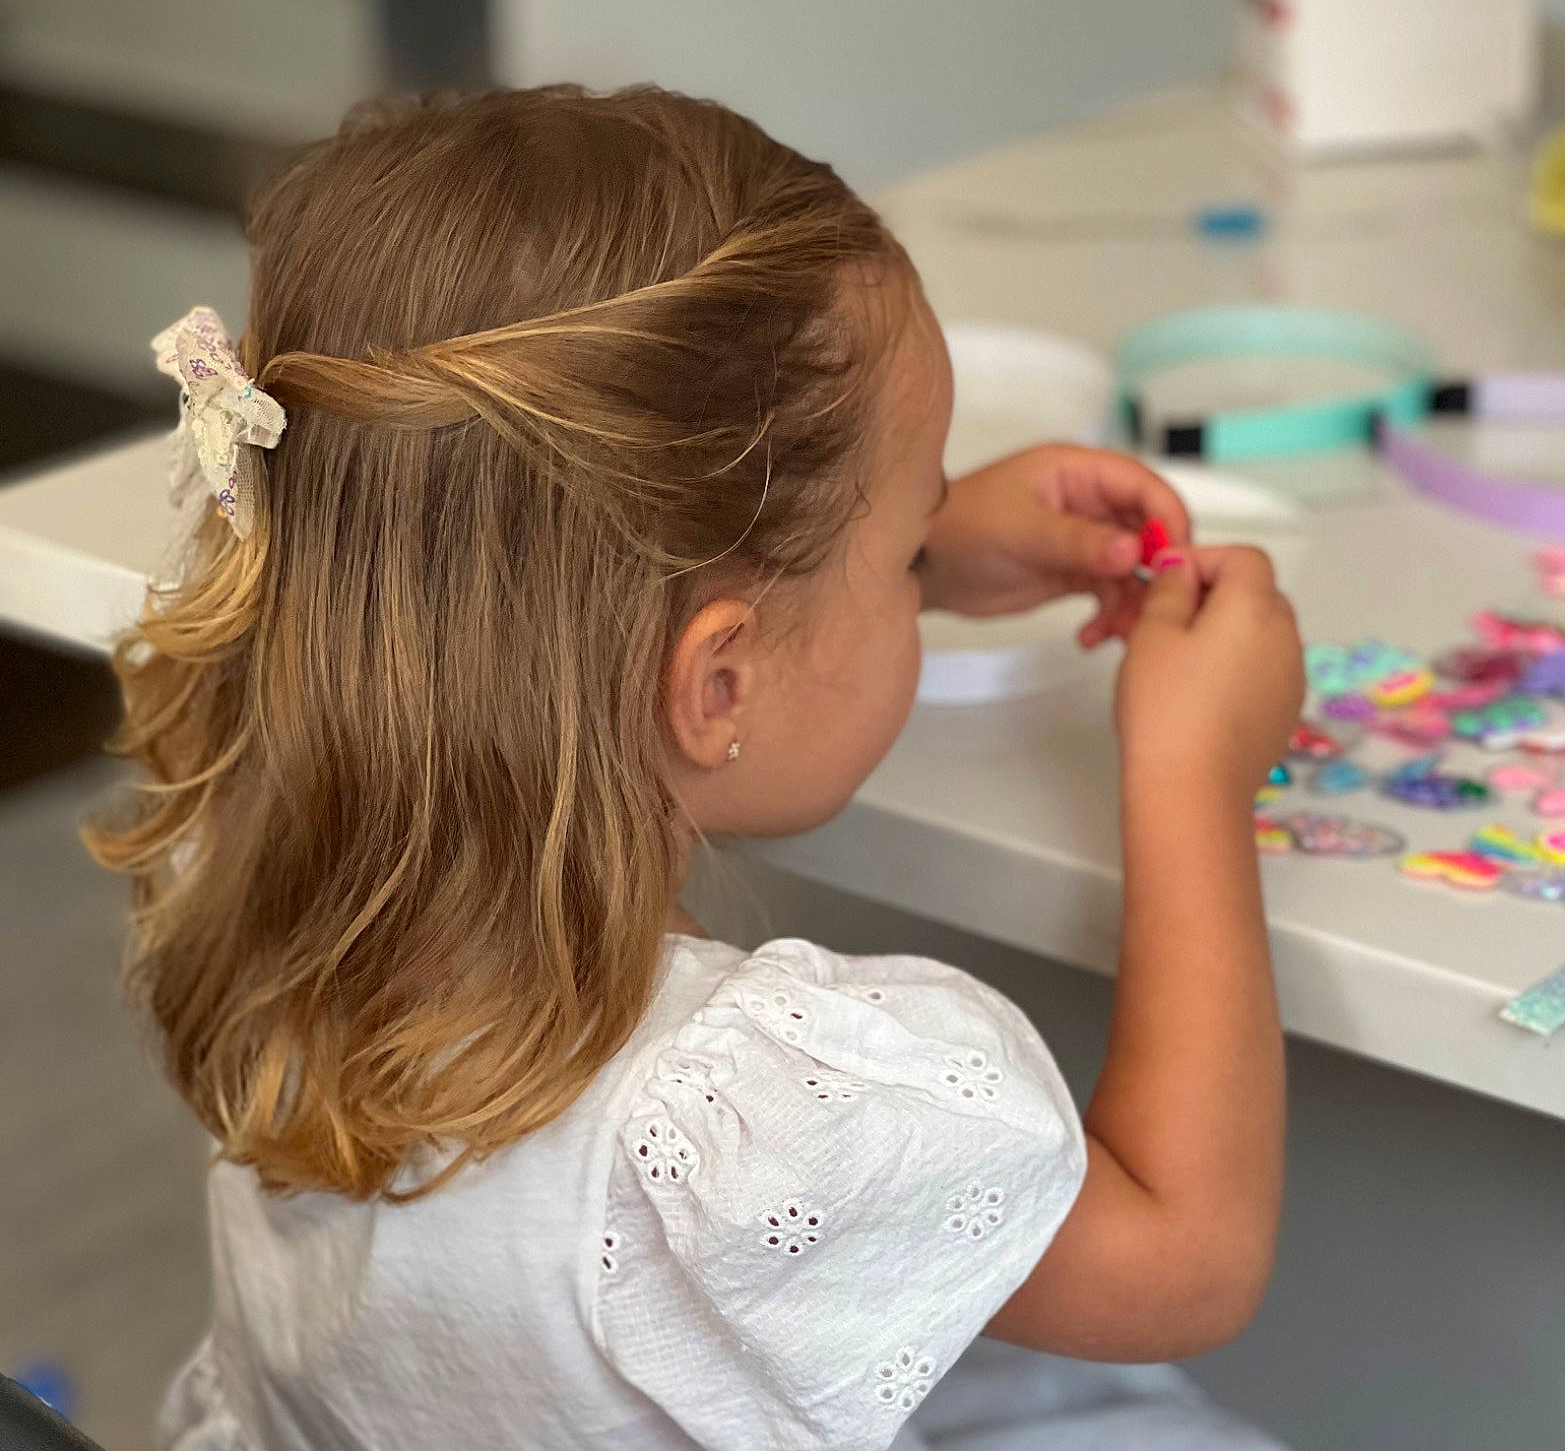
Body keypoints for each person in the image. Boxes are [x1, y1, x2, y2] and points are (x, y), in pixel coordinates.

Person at [90, 85, 1305, 1451]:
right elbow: (1187, 1259)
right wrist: (1194, 776)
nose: (925, 556)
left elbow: (483, 552)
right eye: (909, 549)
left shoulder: (242, 839)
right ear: (716, 685)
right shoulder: (743, 1123)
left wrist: (904, 543)